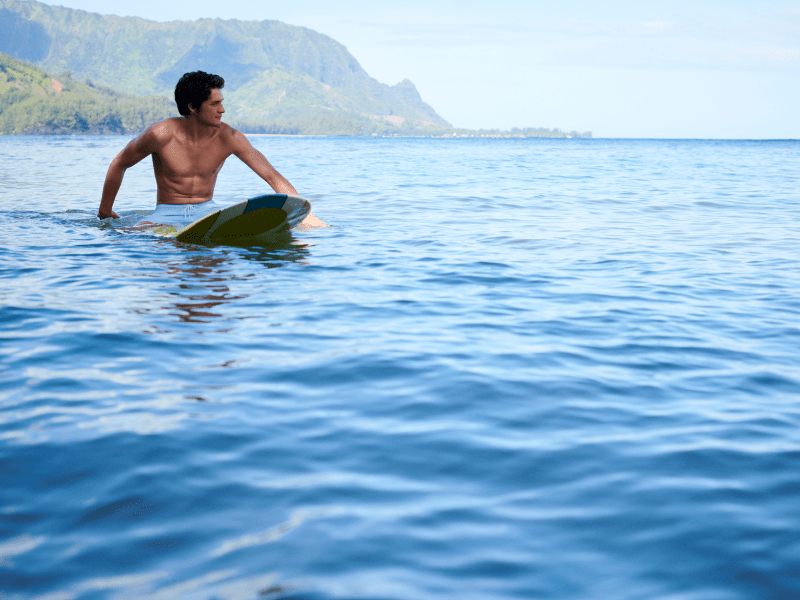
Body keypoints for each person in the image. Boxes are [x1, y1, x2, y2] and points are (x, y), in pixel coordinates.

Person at [97, 70, 324, 228]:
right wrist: (105, 211)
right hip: (166, 213)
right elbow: (119, 164)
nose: (222, 110)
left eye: (222, 102)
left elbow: (270, 174)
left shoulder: (230, 138)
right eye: (215, 104)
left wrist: (304, 214)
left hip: (207, 213)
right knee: (129, 237)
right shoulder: (160, 134)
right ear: (193, 107)